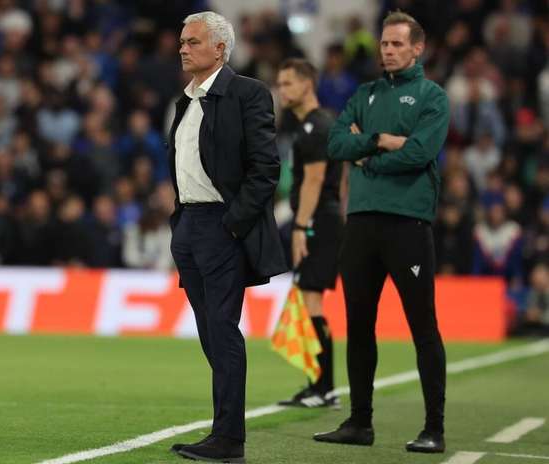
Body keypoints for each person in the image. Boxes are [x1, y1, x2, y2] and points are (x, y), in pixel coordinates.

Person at [313, 11, 449, 454]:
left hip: (407, 223)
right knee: (359, 325)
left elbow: (418, 153)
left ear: (416, 48)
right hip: (362, 223)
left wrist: (366, 156)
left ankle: (434, 427)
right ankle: (359, 423)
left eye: (396, 44)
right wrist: (379, 141)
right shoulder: (364, 94)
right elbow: (335, 144)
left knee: (422, 327)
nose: (388, 50)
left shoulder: (432, 97)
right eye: (384, 44)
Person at [167, 11, 286, 463]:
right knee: (209, 332)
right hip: (190, 226)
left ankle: (229, 439)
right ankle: (224, 429)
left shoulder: (247, 93)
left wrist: (233, 224)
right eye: (182, 41)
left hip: (222, 225)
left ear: (220, 48)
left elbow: (266, 168)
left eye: (193, 41)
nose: (183, 48)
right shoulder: (187, 100)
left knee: (222, 328)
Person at [275, 58, 343, 409]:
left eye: (288, 83)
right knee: (307, 299)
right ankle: (318, 384)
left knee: (312, 300)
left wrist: (301, 226)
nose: (282, 90)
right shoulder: (313, 127)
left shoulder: (316, 127)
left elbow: (315, 180)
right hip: (323, 218)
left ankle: (324, 387)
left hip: (318, 221)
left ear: (307, 84)